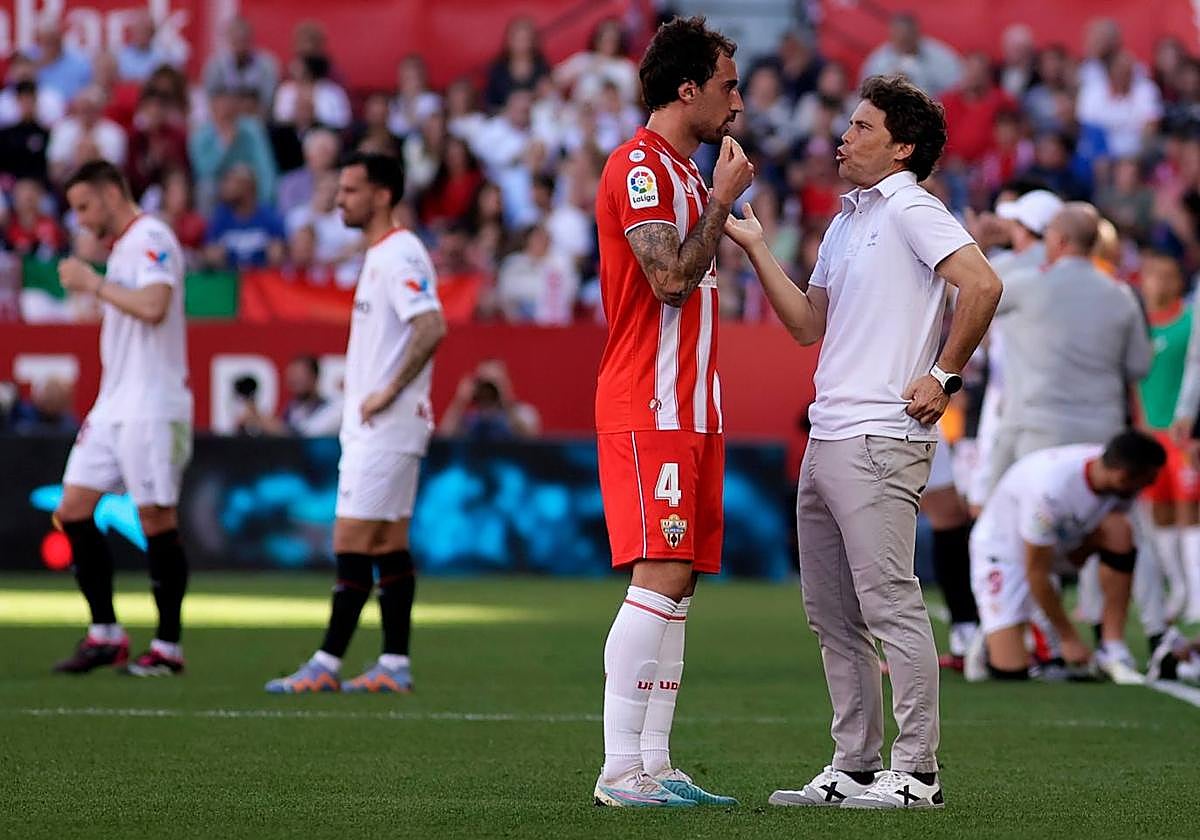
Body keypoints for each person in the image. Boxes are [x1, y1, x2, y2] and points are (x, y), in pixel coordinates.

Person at [726, 75, 1002, 809]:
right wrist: (755, 246)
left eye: (860, 128)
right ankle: (853, 766)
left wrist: (943, 375)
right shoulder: (848, 220)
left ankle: (917, 774)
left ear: (902, 147)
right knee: (834, 616)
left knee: (890, 606)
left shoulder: (913, 207)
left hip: (880, 434)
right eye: (847, 126)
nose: (842, 139)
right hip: (830, 433)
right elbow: (806, 325)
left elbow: (982, 284)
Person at [591, 15, 753, 809]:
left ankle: (655, 762)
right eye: (728, 84)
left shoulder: (688, 175)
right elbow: (667, 280)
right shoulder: (643, 168)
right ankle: (619, 769)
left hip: (692, 405)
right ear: (685, 88)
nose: (738, 100)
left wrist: (716, 197)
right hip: (649, 401)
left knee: (680, 584)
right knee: (659, 573)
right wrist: (722, 202)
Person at [265, 152, 446, 694]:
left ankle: (325, 663)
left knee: (350, 538)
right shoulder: (380, 255)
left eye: (350, 191)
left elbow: (431, 325)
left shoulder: (399, 253)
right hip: (388, 425)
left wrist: (386, 390)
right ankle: (393, 665)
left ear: (383, 194)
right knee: (388, 541)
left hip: (387, 426)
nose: (339, 200)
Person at [51, 160, 192, 677]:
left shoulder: (152, 236)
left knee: (157, 518)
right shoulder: (123, 249)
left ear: (113, 193)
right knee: (74, 508)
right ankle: (106, 633)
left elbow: (155, 305)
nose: (82, 220)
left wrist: (94, 283)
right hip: (115, 402)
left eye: (86, 206)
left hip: (153, 403)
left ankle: (168, 648)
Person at [965, 432, 1166, 683]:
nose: (1144, 490)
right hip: (1005, 551)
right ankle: (991, 636)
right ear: (1124, 476)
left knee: (1119, 531)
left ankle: (1112, 645)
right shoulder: (1051, 489)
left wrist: (1078, 555)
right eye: (1145, 482)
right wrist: (1068, 637)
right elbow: (1036, 570)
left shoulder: (1113, 473)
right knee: (1010, 671)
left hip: (1059, 540)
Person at [1137, 253, 1196, 623]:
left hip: (1183, 435)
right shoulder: (1137, 326)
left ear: (1179, 282)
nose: (1157, 283)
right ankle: (1180, 589)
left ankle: (1196, 595)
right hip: (1149, 435)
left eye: (1167, 275)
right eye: (1152, 275)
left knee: (1189, 512)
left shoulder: (1190, 323)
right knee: (1158, 515)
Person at [439, 360, 541, 440]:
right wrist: (459, 402)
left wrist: (507, 400)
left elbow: (530, 441)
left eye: (494, 382)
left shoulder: (524, 412)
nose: (489, 389)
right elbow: (443, 439)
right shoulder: (470, 419)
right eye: (484, 383)